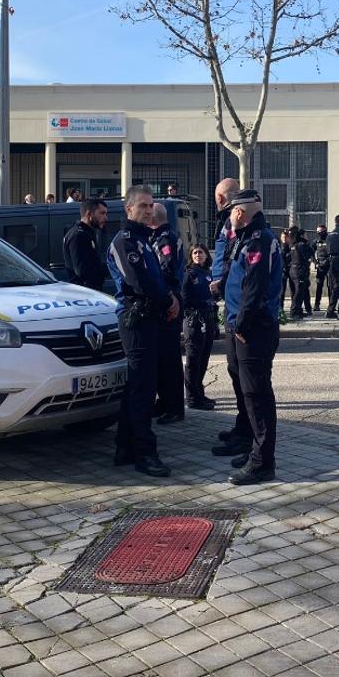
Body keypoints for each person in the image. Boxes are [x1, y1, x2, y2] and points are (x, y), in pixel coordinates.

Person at [106, 185, 177, 478]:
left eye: (151, 206)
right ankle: (145, 454)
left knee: (138, 386)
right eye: (143, 206)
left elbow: (157, 278)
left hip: (151, 317)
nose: (148, 210)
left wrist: (170, 298)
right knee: (143, 389)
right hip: (136, 319)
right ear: (129, 209)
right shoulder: (125, 241)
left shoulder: (143, 239)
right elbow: (139, 281)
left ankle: (125, 447)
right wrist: (168, 300)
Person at [220, 190, 283, 485]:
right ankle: (252, 448)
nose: (229, 216)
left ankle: (262, 462)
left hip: (253, 329)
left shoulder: (259, 240)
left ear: (240, 212)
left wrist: (241, 326)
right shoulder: (246, 238)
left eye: (231, 211)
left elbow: (254, 289)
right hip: (240, 326)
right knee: (247, 390)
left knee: (257, 394)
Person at [151, 202, 186, 425]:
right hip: (167, 301)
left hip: (169, 303)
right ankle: (165, 402)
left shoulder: (165, 239)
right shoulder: (163, 236)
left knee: (169, 359)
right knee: (162, 359)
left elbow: (166, 269)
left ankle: (173, 407)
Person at [182, 244, 218, 410]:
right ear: (191, 256)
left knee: (203, 360)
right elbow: (184, 298)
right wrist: (201, 303)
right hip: (194, 321)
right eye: (195, 253)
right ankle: (192, 398)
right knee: (193, 361)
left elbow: (214, 297)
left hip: (208, 319)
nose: (198, 255)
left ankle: (199, 393)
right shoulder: (188, 274)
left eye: (200, 252)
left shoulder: (208, 274)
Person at [61, 198, 109, 291]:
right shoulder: (78, 236)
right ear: (89, 214)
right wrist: (110, 269)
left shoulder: (88, 233)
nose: (106, 218)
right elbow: (83, 271)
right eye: (102, 213)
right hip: (84, 293)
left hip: (91, 291)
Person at [209, 178, 240, 298]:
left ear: (219, 198)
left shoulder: (231, 221)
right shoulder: (237, 218)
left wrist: (221, 281)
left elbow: (232, 252)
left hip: (229, 281)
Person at [287, 227, 313, 318]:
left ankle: (298, 310)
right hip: (299, 270)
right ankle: (294, 311)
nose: (307, 236)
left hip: (293, 270)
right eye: (305, 234)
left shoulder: (293, 245)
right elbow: (308, 254)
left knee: (298, 291)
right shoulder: (301, 245)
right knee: (298, 292)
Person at [312, 225, 330, 312]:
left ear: (325, 231)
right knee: (319, 285)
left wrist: (328, 260)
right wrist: (315, 262)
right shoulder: (316, 241)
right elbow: (310, 252)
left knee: (330, 285)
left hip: (329, 265)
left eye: (321, 231)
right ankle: (316, 304)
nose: (319, 233)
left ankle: (331, 305)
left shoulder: (329, 240)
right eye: (318, 232)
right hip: (320, 266)